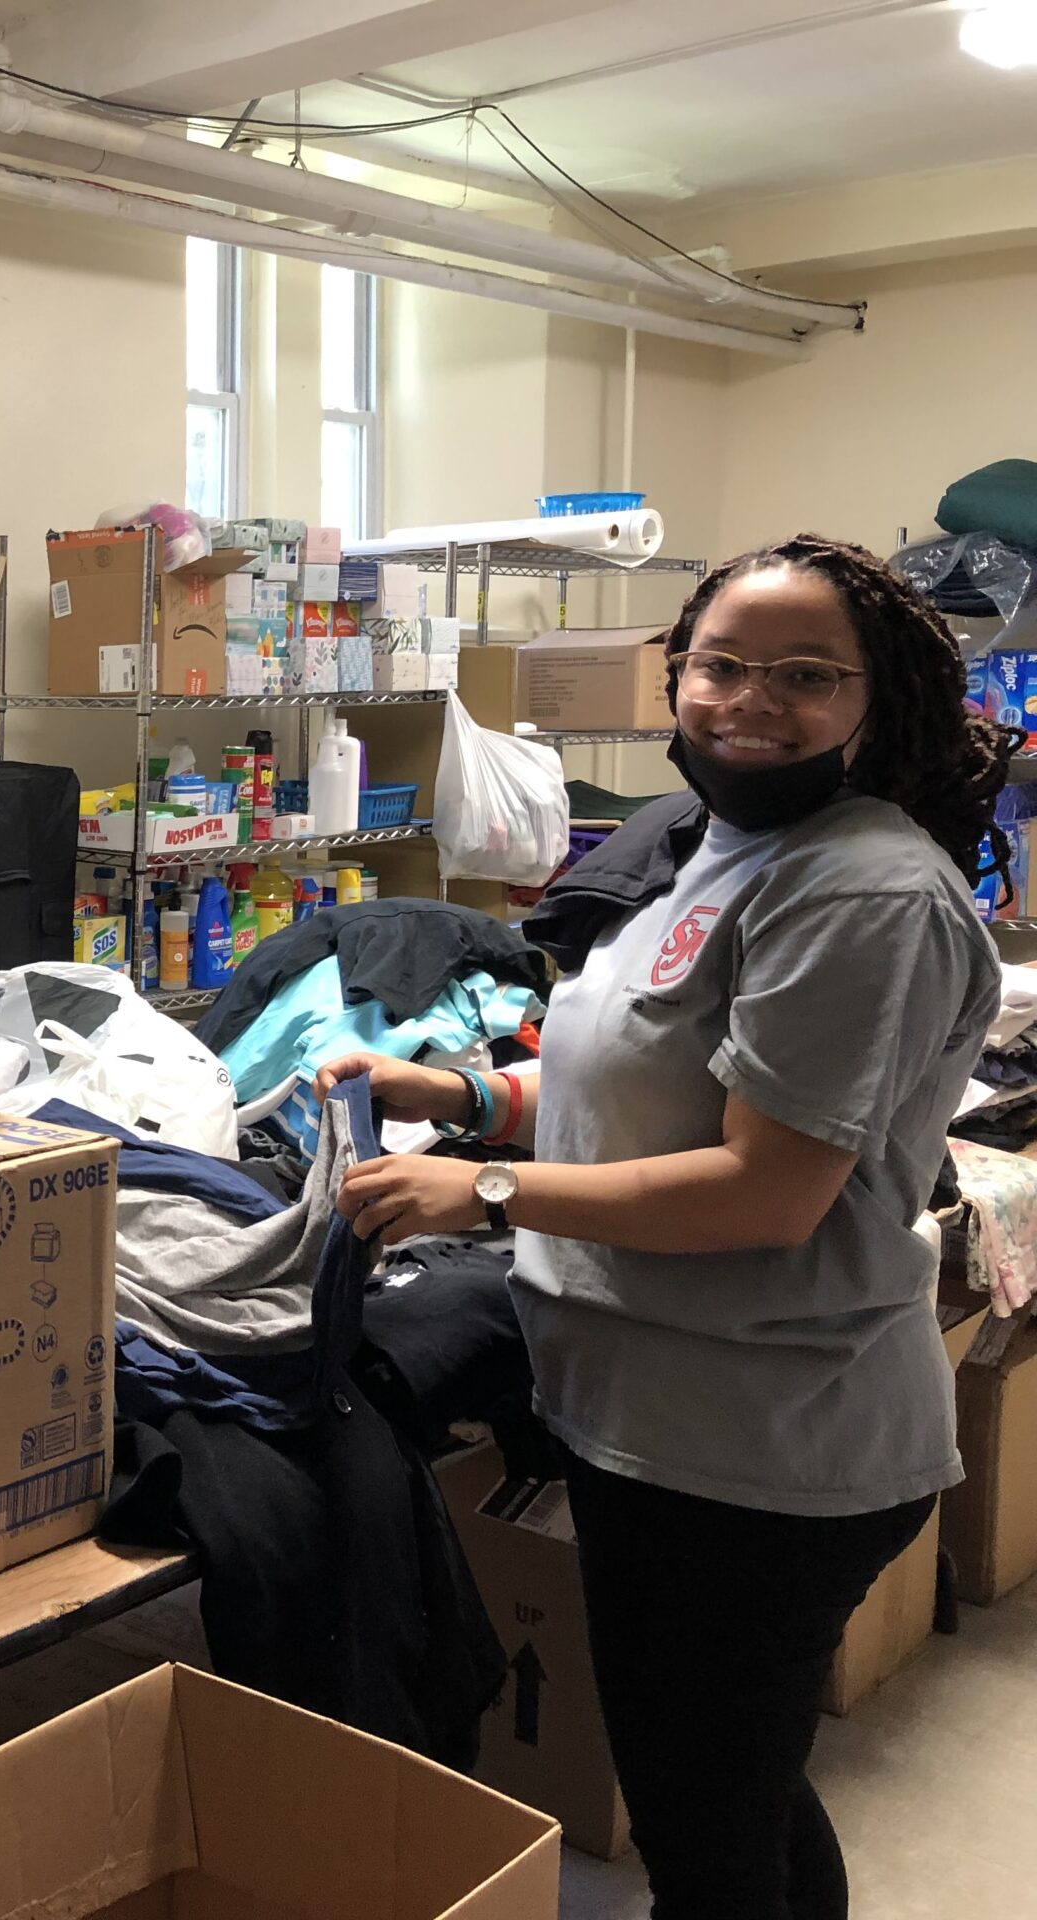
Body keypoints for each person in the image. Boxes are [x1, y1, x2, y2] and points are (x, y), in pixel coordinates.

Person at [323, 534, 1011, 1920]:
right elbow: (635, 1081)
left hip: (764, 1451)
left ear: (879, 700)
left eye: (808, 675)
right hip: (667, 1421)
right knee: (730, 1787)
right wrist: (459, 1091)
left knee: (705, 1830)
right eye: (723, 666)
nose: (753, 699)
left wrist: (487, 1190)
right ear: (675, 675)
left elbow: (764, 1190)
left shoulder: (859, 887)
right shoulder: (727, 848)